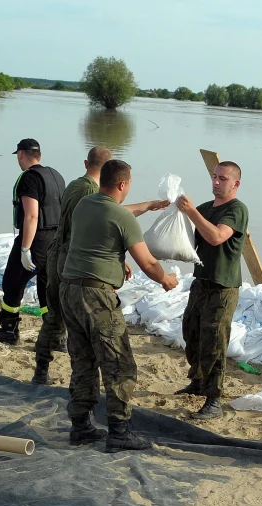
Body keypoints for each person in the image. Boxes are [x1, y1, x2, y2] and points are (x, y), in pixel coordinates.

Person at [59, 160, 178, 451]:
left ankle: (81, 426)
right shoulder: (123, 219)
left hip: (69, 290)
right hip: (96, 297)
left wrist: (148, 206)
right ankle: (119, 432)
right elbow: (148, 262)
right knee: (119, 364)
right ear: (123, 184)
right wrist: (166, 279)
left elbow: (101, 234)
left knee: (83, 360)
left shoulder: (85, 204)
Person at [31, 146, 167, 385]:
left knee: (56, 315)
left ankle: (42, 368)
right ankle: (43, 369)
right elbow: (104, 222)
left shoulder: (76, 184)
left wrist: (146, 206)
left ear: (87, 163)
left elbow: (105, 218)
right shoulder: (90, 192)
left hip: (59, 255)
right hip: (70, 259)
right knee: (67, 322)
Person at [175, 161, 248, 420]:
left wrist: (192, 212)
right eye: (214, 177)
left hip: (222, 286)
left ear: (235, 184)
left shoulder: (236, 210)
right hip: (201, 282)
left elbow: (217, 236)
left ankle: (214, 399)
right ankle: (197, 381)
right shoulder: (205, 208)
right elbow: (188, 237)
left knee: (214, 341)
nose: (216, 182)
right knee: (191, 331)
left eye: (223, 179)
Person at [0, 139, 66, 345]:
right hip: (56, 238)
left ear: (21, 154)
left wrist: (25, 249)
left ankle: (9, 329)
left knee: (13, 282)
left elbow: (31, 216)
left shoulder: (29, 179)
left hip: (36, 238)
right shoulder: (56, 175)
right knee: (46, 288)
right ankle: (56, 337)